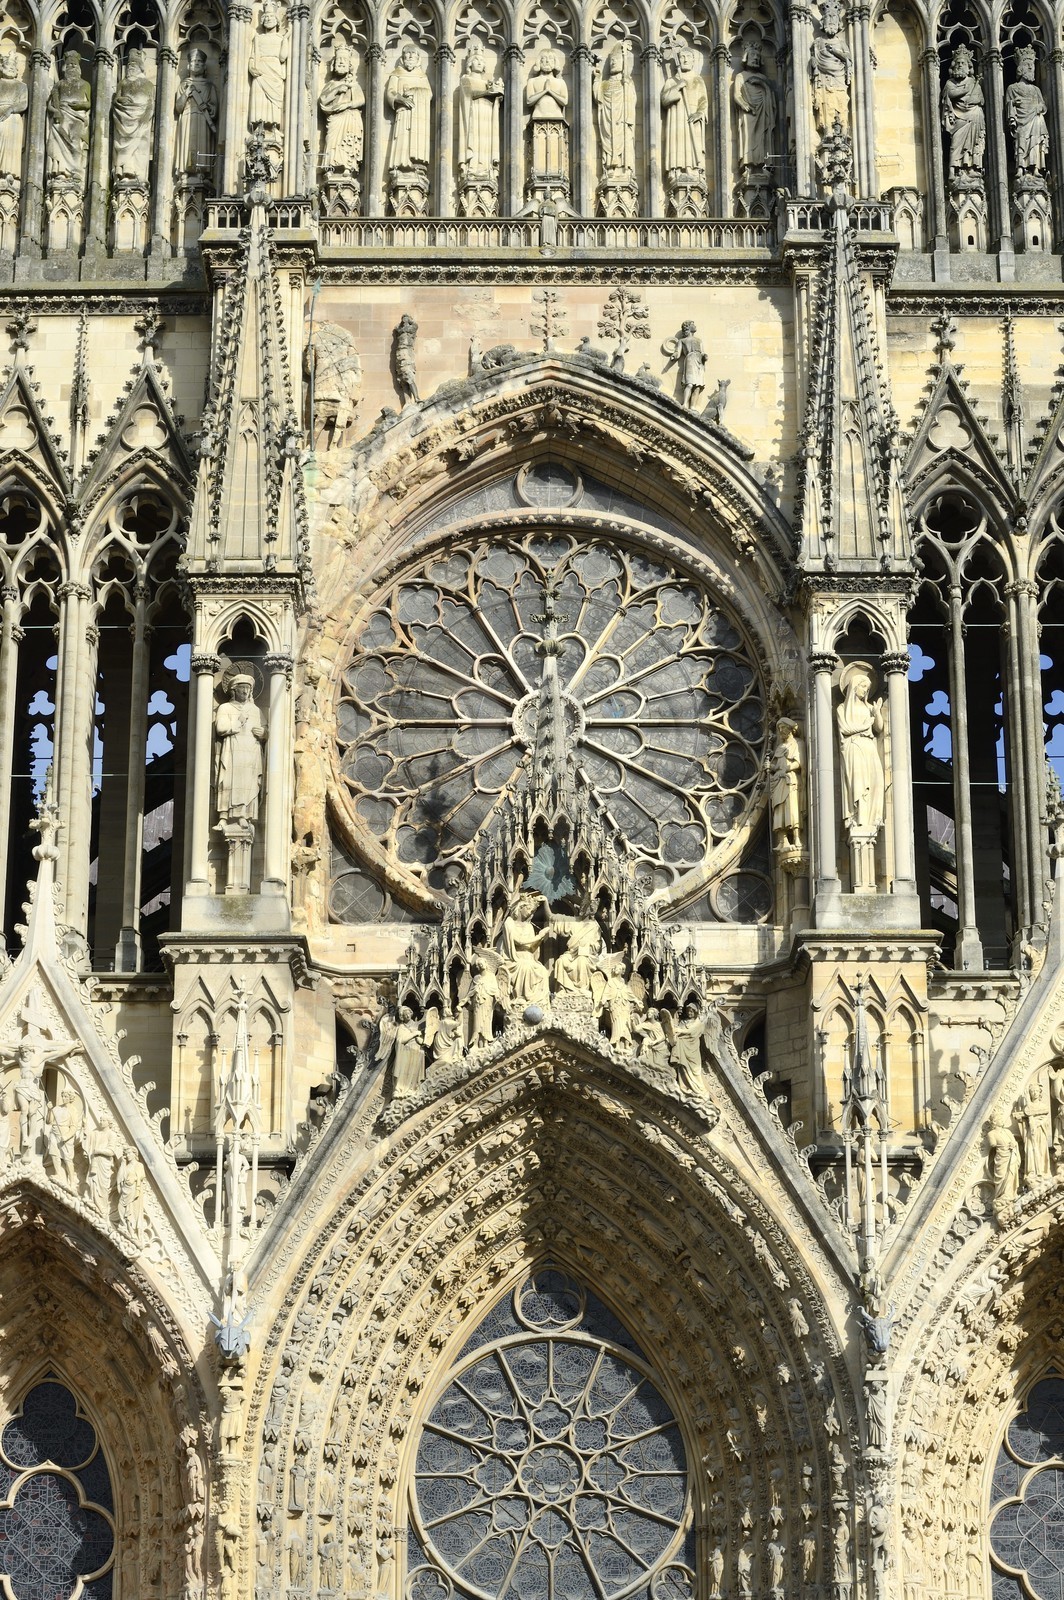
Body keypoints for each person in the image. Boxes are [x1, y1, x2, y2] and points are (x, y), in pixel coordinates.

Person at [836, 663, 885, 837]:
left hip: (868, 746)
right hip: (853, 747)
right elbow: (844, 729)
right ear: (855, 687)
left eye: (868, 688)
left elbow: (879, 728)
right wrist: (864, 726)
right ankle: (859, 818)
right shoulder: (842, 709)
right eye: (864, 687)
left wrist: (877, 712)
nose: (866, 690)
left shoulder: (869, 707)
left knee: (876, 782)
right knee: (858, 784)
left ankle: (871, 817)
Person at [214, 675, 267, 824]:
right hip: (233, 751)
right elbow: (221, 728)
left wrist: (264, 734)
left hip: (252, 753)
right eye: (242, 688)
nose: (245, 691)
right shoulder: (226, 708)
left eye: (247, 688)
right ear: (234, 691)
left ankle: (244, 815)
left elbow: (266, 729)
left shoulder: (256, 710)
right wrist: (238, 722)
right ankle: (224, 816)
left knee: (249, 784)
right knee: (229, 782)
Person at [458, 42, 502, 187]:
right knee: (475, 140)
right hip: (474, 115)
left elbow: (493, 97)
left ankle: (486, 168)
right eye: (476, 60)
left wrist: (498, 95)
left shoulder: (487, 83)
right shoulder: (466, 79)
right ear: (469, 64)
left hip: (486, 115)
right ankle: (473, 168)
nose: (479, 63)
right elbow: (469, 94)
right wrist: (489, 92)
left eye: (481, 61)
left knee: (485, 143)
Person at [661, 49, 708, 183]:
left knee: (693, 146)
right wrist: (677, 87)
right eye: (682, 57)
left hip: (693, 119)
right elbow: (664, 99)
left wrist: (700, 112)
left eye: (688, 57)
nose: (685, 60)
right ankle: (677, 171)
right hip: (677, 119)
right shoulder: (672, 81)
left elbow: (703, 100)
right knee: (678, 145)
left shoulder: (698, 80)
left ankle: (693, 170)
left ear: (693, 61)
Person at [385, 45, 432, 175]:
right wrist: (400, 98)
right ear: (403, 57)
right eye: (408, 54)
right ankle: (400, 165)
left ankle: (417, 165)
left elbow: (429, 94)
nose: (410, 56)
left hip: (418, 115)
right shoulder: (397, 74)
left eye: (413, 54)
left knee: (416, 138)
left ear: (418, 58)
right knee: (402, 137)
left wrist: (413, 93)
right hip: (403, 113)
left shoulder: (422, 76)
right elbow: (390, 92)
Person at [47, 50, 91, 183]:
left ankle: (76, 171)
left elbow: (88, 104)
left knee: (76, 141)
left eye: (74, 64)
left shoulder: (85, 84)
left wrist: (79, 105)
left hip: (77, 117)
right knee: (57, 143)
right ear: (64, 67)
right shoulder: (59, 85)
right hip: (61, 115)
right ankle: (61, 171)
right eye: (69, 64)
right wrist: (55, 111)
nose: (71, 67)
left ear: (79, 67)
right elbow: (50, 104)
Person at [112, 47, 155, 183]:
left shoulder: (148, 84)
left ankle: (137, 172)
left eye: (134, 65)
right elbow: (116, 99)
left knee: (140, 146)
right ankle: (123, 171)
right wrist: (121, 100)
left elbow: (150, 104)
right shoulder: (123, 83)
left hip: (140, 119)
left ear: (140, 67)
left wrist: (144, 117)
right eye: (129, 65)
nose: (130, 67)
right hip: (123, 118)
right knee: (123, 143)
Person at [941, 44, 985, 177]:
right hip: (958, 117)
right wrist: (965, 91)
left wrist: (972, 99)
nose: (960, 65)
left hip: (974, 116)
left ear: (968, 67)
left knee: (971, 145)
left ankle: (971, 167)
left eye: (963, 63)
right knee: (956, 144)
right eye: (958, 63)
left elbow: (980, 99)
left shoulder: (973, 82)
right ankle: (952, 171)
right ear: (953, 66)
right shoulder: (950, 83)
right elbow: (949, 94)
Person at [320, 43, 364, 174]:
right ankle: (330, 168)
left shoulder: (353, 85)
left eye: (344, 61)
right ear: (333, 64)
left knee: (347, 143)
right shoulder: (331, 85)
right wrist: (337, 90)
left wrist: (347, 105)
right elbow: (323, 101)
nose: (341, 63)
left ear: (349, 65)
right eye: (339, 60)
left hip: (349, 117)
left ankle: (347, 167)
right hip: (335, 119)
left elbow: (361, 100)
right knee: (332, 142)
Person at [594, 39, 635, 177]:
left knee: (624, 139)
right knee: (608, 140)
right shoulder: (605, 83)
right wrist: (597, 79)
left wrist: (627, 84)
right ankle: (609, 166)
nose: (613, 62)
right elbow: (598, 97)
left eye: (616, 60)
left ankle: (624, 167)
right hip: (608, 120)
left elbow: (631, 100)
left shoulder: (626, 82)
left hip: (622, 121)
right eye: (611, 60)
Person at [733, 41, 775, 172]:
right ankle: (748, 164)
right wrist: (745, 105)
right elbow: (736, 95)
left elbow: (771, 96)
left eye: (757, 56)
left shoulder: (763, 78)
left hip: (763, 110)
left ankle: (764, 164)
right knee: (749, 136)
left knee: (763, 136)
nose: (755, 58)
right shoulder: (741, 76)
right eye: (752, 55)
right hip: (748, 111)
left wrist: (761, 84)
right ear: (746, 58)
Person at [174, 49, 217, 177]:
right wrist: (186, 93)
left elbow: (214, 108)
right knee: (186, 143)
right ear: (188, 66)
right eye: (193, 61)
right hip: (187, 117)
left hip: (202, 119)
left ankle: (201, 171)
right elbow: (178, 107)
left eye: (199, 61)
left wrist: (208, 107)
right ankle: (185, 171)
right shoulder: (183, 85)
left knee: (201, 143)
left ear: (204, 66)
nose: (196, 64)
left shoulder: (209, 86)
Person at [1006, 46, 1048, 175]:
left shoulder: (1036, 90)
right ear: (1020, 68)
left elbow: (1043, 105)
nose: (1031, 68)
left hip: (1034, 119)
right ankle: (1020, 168)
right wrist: (1013, 103)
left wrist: (1039, 107)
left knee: (1035, 143)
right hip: (1021, 120)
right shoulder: (1012, 88)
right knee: (1021, 141)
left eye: (1032, 65)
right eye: (1027, 64)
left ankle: (1035, 168)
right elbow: (1009, 103)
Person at [811, 0, 850, 135]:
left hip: (839, 78)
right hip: (824, 79)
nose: (831, 21)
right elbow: (813, 58)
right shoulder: (818, 42)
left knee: (841, 102)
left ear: (838, 22)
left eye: (834, 18)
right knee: (826, 103)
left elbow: (848, 58)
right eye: (828, 18)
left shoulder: (840, 42)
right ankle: (828, 130)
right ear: (823, 22)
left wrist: (834, 51)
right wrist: (813, 63)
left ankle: (843, 130)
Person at [248, 1, 288, 132]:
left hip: (274, 70)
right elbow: (253, 55)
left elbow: (283, 57)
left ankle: (274, 126)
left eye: (271, 17)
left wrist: (286, 39)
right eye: (266, 17)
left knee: (275, 103)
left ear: (277, 20)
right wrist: (251, 67)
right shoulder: (258, 38)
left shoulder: (280, 38)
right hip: (260, 71)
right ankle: (259, 126)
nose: (268, 19)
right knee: (260, 100)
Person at [662, 321, 706, 410]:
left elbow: (703, 352)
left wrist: (705, 356)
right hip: (690, 359)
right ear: (688, 327)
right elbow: (678, 352)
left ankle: (693, 406)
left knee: (698, 386)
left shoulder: (699, 340)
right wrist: (674, 356)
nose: (695, 326)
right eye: (693, 324)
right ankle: (685, 403)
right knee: (689, 383)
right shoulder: (682, 341)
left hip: (700, 361)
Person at [0, 52, 27, 180]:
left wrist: (11, 109)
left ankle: (8, 173)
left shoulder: (21, 86)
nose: (10, 68)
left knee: (11, 147)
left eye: (13, 66)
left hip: (12, 118)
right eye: (8, 65)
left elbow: (24, 103)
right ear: (2, 67)